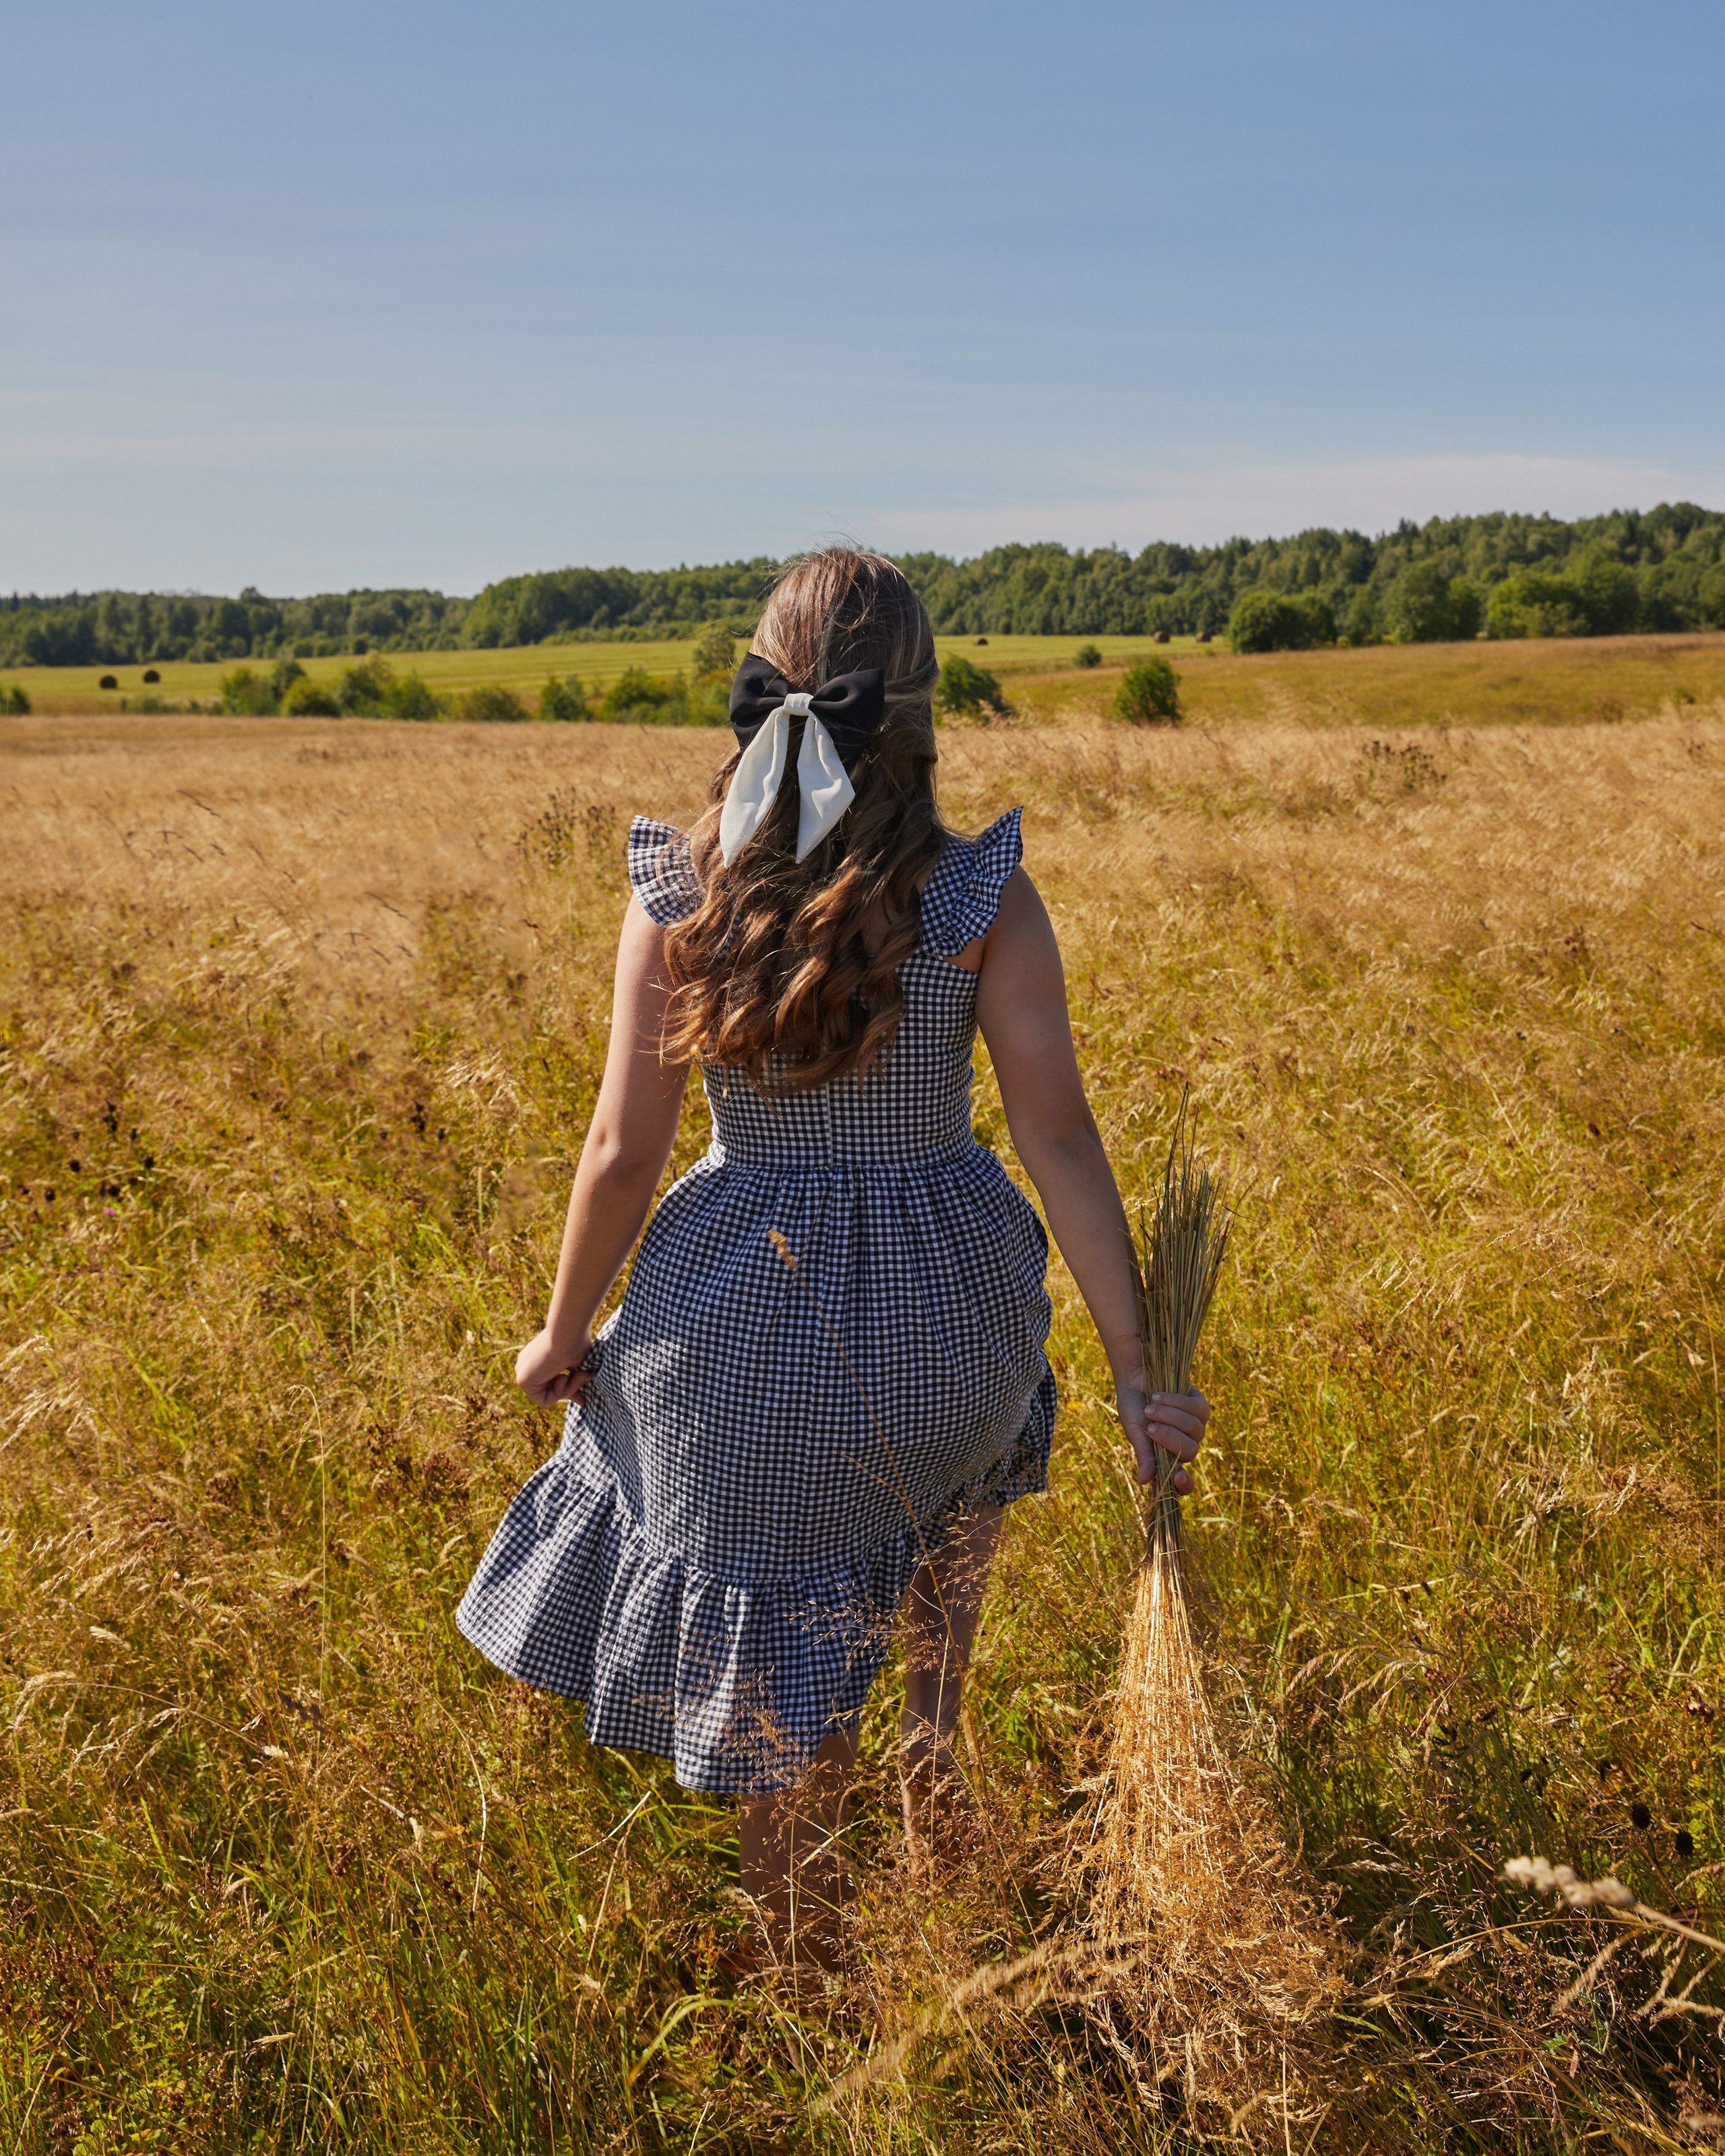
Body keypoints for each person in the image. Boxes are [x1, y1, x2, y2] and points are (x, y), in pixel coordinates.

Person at [456, 548, 1210, 1969]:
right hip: (953, 1324)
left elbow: (622, 1148)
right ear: (917, 709)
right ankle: (936, 1784)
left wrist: (560, 1334)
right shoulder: (977, 894)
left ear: (755, 691)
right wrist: (1132, 1373)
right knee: (933, 1613)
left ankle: (809, 1974)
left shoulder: (683, 892)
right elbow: (1056, 1137)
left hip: (744, 1334)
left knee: (779, 1714)